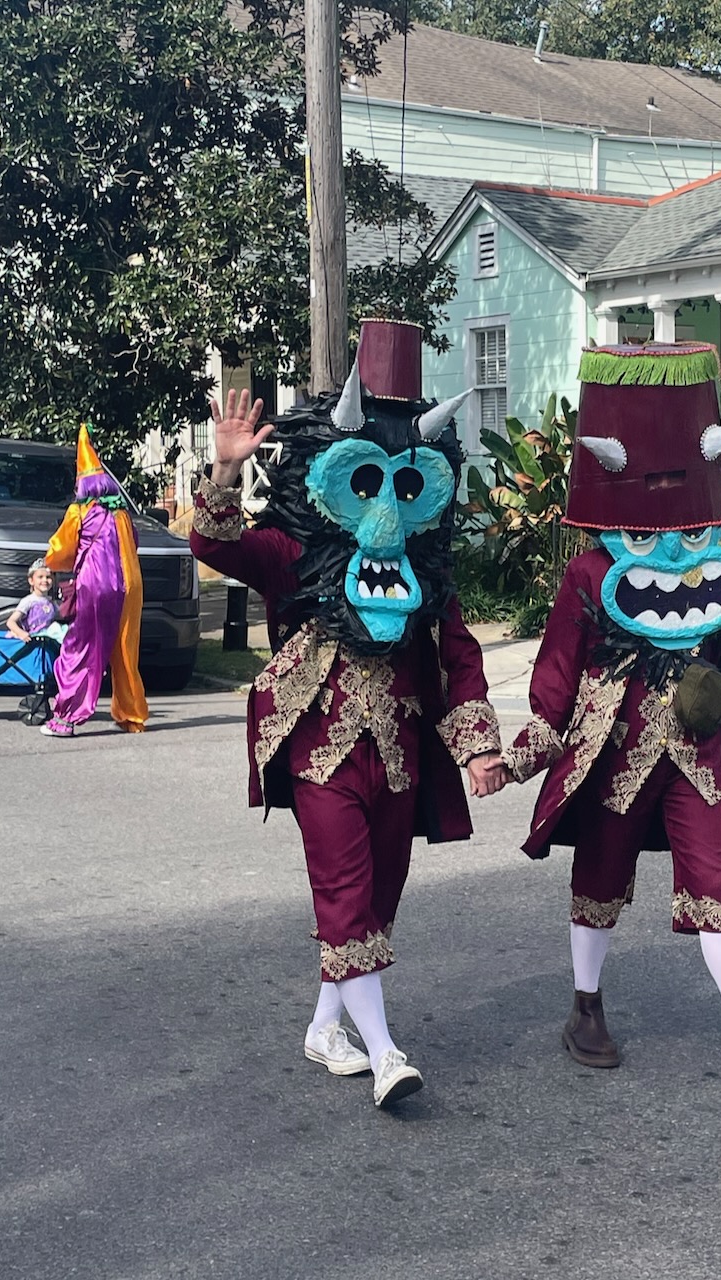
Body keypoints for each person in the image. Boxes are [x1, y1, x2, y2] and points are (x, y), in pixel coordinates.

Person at [189, 319, 507, 1111]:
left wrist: (476, 749)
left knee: (377, 900)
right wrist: (225, 470)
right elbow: (214, 545)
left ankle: (327, 1028)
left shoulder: (426, 576)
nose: (387, 509)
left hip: (397, 755)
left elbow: (459, 660)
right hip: (318, 751)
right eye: (369, 481)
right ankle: (388, 1049)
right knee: (342, 888)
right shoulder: (293, 554)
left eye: (406, 484)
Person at [500, 342, 721, 1100]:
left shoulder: (717, 564)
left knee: (716, 882)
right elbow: (553, 681)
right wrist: (510, 759)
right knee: (600, 878)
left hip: (695, 750)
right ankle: (585, 1007)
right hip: (612, 753)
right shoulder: (588, 574)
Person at [40, 426, 149, 737]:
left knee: (83, 648)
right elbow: (134, 544)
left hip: (96, 588)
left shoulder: (80, 511)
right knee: (125, 651)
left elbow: (60, 550)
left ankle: (66, 717)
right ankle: (132, 716)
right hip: (130, 588)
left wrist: (52, 563)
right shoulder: (122, 513)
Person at [6, 559, 60, 642]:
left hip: (47, 640)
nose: (45, 580)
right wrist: (21, 633)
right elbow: (11, 622)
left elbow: (61, 616)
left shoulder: (51, 602)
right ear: (31, 581)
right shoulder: (29, 601)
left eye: (48, 577)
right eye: (40, 577)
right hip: (33, 640)